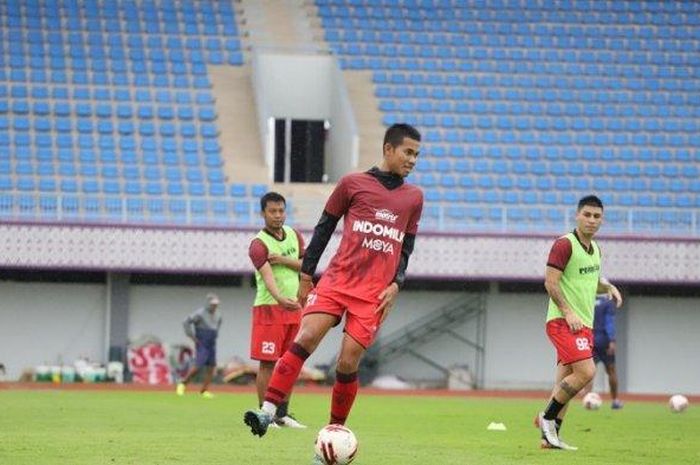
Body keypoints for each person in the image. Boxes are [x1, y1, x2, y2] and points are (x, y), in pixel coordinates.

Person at [243, 124, 423, 459]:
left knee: (348, 360)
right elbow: (324, 228)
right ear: (388, 149)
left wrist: (397, 283)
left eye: (416, 155)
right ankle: (267, 411)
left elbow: (407, 247)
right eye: (407, 152)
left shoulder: (414, 198)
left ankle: (332, 435)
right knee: (306, 337)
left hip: (373, 293)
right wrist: (307, 275)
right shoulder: (352, 184)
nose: (412, 160)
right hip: (338, 281)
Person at [537, 195, 623, 450]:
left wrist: (608, 286)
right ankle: (547, 417)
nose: (591, 220)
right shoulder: (564, 244)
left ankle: (549, 439)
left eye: (597, 216)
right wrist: (568, 311)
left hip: (583, 324)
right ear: (577, 215)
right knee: (586, 373)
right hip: (563, 321)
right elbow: (550, 282)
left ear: (601, 220)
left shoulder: (596, 250)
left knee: (564, 383)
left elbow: (588, 283)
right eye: (587, 215)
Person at [248, 191, 307, 428]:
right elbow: (267, 277)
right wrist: (281, 298)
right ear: (263, 213)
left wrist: (282, 259)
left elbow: (307, 265)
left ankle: (282, 414)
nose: (277, 215)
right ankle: (266, 414)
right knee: (268, 363)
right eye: (272, 211)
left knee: (290, 362)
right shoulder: (258, 244)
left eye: (281, 210)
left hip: (294, 308)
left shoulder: (295, 235)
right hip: (269, 309)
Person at [176, 293, 222, 398]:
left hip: (212, 342)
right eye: (212, 304)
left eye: (216, 304)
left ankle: (204, 390)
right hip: (202, 341)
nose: (214, 306)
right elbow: (186, 322)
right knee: (198, 365)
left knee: (211, 366)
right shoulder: (200, 314)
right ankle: (183, 383)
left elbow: (218, 325)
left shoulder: (218, 314)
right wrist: (192, 336)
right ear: (208, 304)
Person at [590, 288, 623, 409]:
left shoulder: (588, 300)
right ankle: (615, 401)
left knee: (588, 372)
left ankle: (588, 399)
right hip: (604, 340)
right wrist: (612, 340)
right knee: (611, 371)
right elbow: (609, 322)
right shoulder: (608, 303)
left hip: (590, 340)